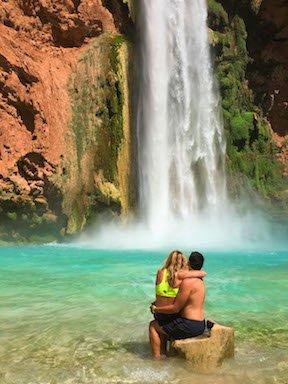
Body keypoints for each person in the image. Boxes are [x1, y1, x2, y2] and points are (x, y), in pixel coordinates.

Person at [150, 251, 206, 358]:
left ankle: (157, 360)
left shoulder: (186, 282)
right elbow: (202, 273)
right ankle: (165, 353)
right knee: (167, 324)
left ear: (189, 263)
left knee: (153, 325)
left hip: (189, 325)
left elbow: (175, 308)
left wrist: (156, 309)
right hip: (200, 324)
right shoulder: (200, 281)